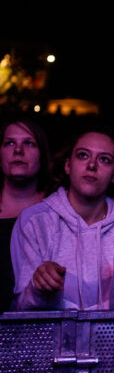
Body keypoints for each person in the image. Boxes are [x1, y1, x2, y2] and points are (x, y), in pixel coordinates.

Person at [11, 125, 114, 311]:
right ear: (68, 165)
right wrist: (38, 287)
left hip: (112, 340)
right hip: (55, 339)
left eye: (104, 159)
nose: (92, 165)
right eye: (83, 155)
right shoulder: (34, 221)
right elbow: (21, 313)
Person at [0, 117, 51, 313]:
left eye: (28, 143)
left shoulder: (58, 210)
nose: (18, 150)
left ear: (42, 155)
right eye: (10, 143)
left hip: (42, 328)